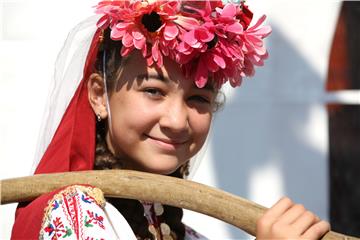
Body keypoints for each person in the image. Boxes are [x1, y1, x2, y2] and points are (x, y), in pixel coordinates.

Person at [11, 0, 330, 239]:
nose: (177, 121)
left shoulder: (184, 234)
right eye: (153, 90)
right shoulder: (74, 214)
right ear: (99, 95)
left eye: (198, 98)